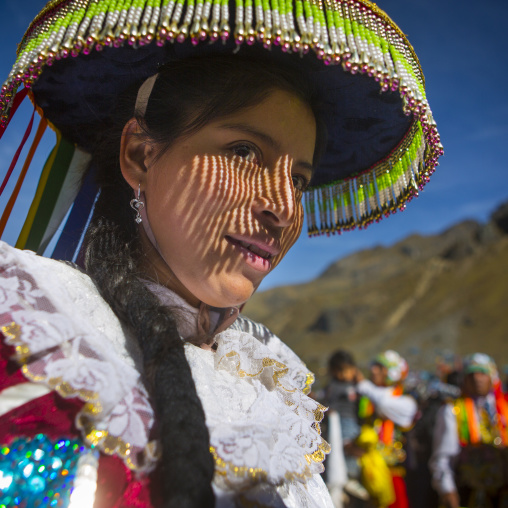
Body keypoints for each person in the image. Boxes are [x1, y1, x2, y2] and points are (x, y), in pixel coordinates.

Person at [0, 0, 441, 506]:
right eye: (243, 151)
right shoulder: (32, 334)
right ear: (141, 156)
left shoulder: (274, 391)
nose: (282, 207)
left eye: (298, 180)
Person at [429, 353, 508, 508]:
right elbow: (443, 457)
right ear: (464, 379)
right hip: (470, 491)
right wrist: (447, 490)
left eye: (482, 373)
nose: (477, 378)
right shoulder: (452, 411)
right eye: (471, 374)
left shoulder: (503, 408)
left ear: (492, 378)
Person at [356, 350, 417, 508]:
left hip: (392, 474)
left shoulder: (405, 401)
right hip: (365, 469)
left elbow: (384, 404)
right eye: (374, 366)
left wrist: (363, 385)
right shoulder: (366, 397)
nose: (373, 370)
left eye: (380, 367)